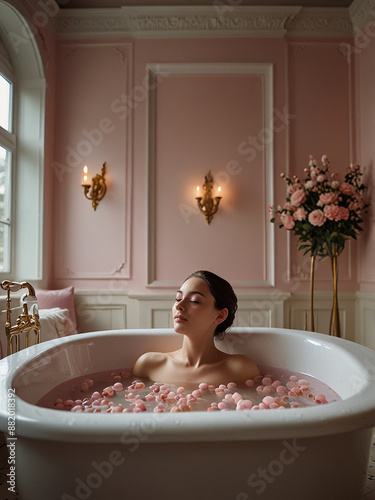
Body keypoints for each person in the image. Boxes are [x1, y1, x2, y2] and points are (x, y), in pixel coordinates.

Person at [133, 270, 260, 386]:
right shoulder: (149, 365)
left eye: (195, 301)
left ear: (220, 315)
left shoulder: (241, 369)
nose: (179, 306)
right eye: (178, 298)